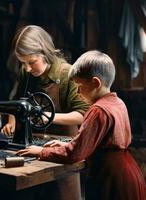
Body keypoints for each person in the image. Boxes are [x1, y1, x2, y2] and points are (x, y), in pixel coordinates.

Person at [17, 50, 146, 200]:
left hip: (110, 179)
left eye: (79, 85)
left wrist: (40, 152)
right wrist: (67, 143)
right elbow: (97, 142)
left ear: (95, 83)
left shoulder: (97, 110)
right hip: (128, 174)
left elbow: (74, 154)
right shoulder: (117, 103)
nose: (77, 91)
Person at [1, 25, 89, 137]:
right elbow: (18, 101)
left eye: (32, 62)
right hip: (33, 138)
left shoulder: (67, 74)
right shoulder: (26, 72)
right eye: (23, 63)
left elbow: (84, 114)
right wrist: (11, 123)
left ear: (45, 52)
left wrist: (48, 116)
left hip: (62, 142)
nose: (27, 68)